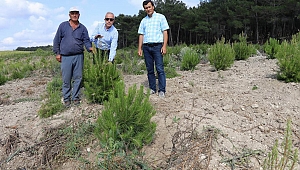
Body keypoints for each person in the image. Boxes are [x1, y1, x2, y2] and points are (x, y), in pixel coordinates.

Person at [53, 7, 93, 107]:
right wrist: (57, 53)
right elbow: (56, 40)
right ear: (69, 15)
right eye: (72, 13)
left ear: (79, 15)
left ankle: (75, 98)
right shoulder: (63, 26)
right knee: (66, 79)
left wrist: (90, 48)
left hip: (79, 56)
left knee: (78, 78)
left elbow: (86, 41)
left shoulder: (82, 28)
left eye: (76, 13)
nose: (74, 15)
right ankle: (66, 99)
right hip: (65, 57)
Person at [138, 0, 169, 98]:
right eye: (146, 8)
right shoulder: (143, 21)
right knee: (149, 69)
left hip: (157, 46)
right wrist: (140, 48)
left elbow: (165, 32)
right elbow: (141, 35)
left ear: (153, 7)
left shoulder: (161, 17)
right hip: (146, 47)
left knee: (159, 69)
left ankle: (162, 90)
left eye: (149, 7)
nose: (148, 9)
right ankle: (152, 88)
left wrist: (164, 46)